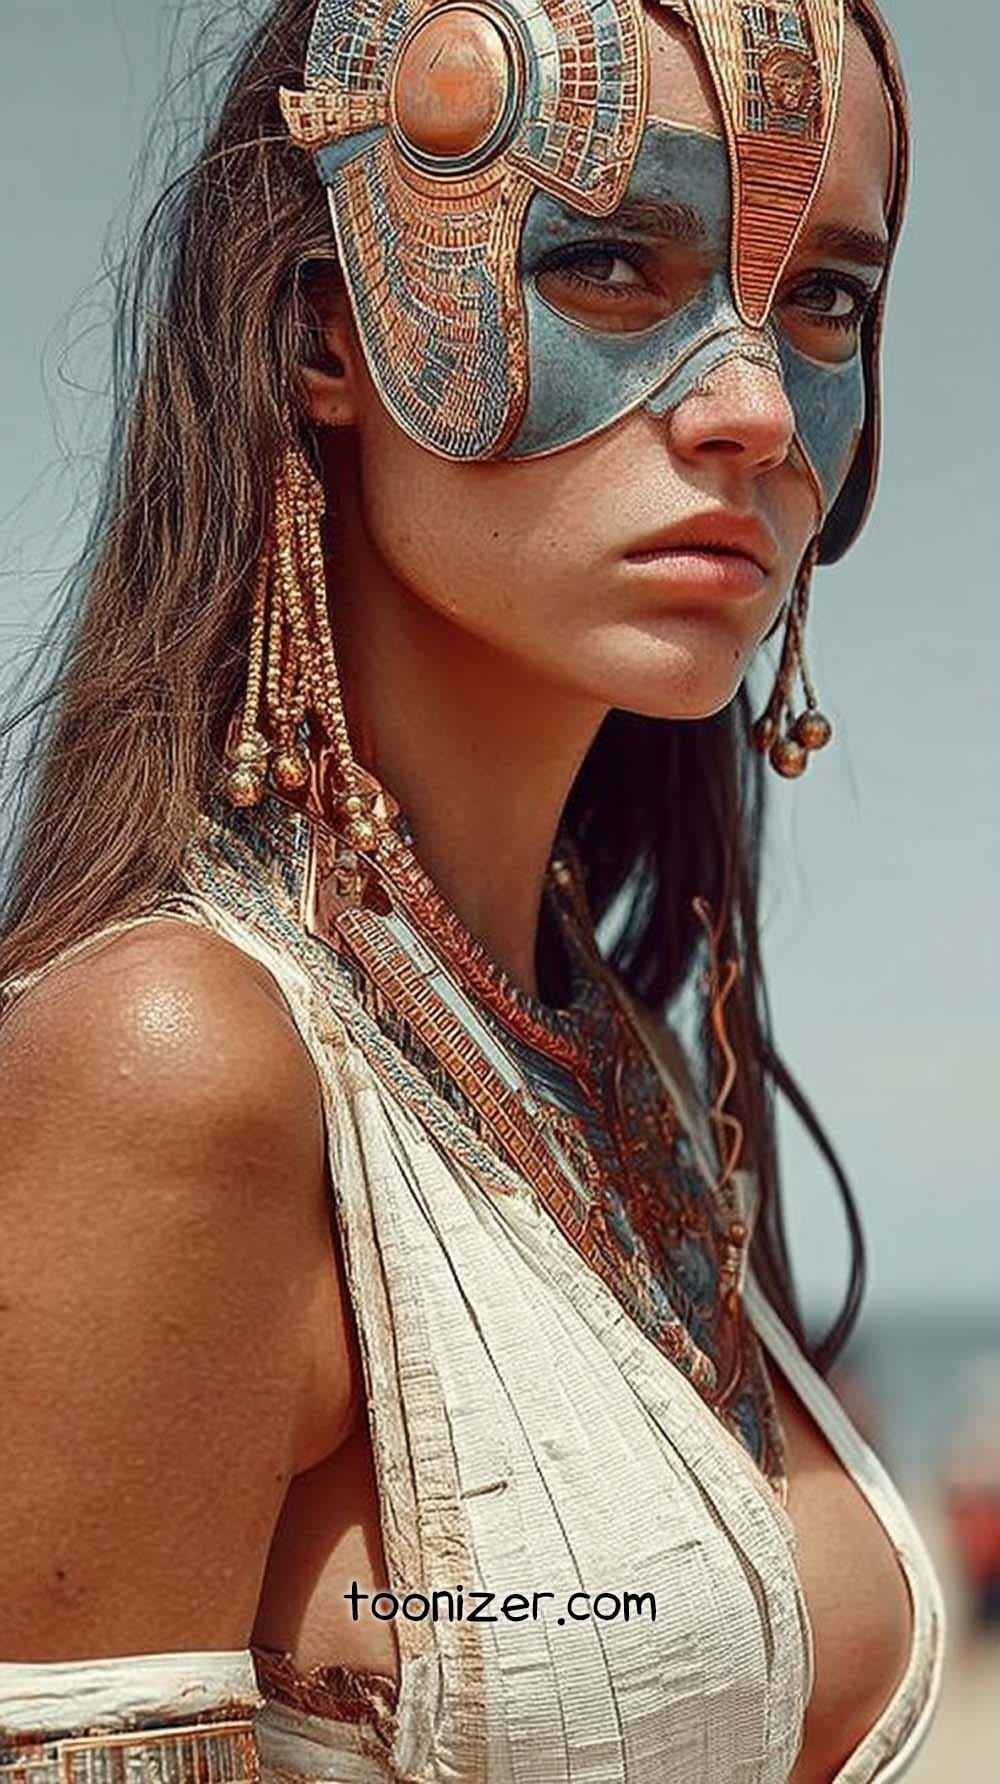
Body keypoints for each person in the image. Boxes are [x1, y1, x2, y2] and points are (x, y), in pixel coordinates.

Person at [0, 0, 946, 1779]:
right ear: (328, 331)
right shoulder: (177, 1064)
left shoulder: (615, 1057)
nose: (755, 410)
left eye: (827, 297)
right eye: (604, 260)